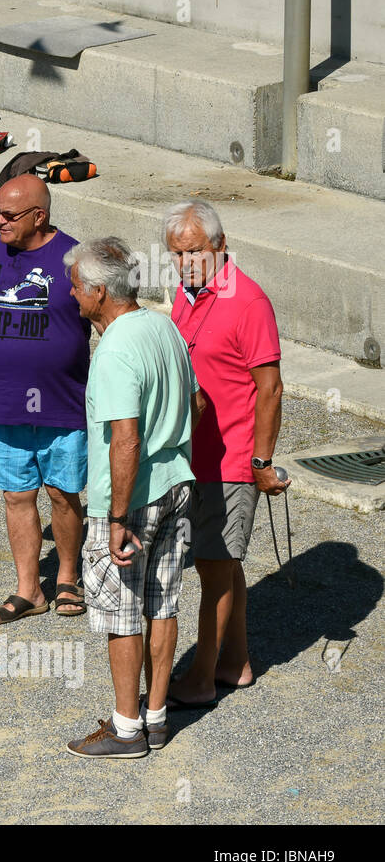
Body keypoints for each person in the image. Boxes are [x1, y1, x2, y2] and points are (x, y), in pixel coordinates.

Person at [62, 238, 201, 758]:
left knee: (121, 612)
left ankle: (125, 731)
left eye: (77, 286)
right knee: (163, 604)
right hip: (178, 486)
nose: (72, 294)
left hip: (131, 500)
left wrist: (118, 515)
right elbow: (197, 402)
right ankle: (156, 717)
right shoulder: (165, 326)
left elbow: (126, 437)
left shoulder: (116, 349)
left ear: (100, 292)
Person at [162, 201, 289, 708]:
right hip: (195, 456)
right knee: (221, 563)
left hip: (231, 458)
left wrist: (260, 461)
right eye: (174, 253)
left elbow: (271, 388)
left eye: (192, 250)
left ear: (219, 244)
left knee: (214, 566)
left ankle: (201, 675)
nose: (183, 261)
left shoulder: (248, 301)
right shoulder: (188, 293)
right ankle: (235, 663)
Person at [0, 174, 90, 623]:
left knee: (63, 493)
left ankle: (68, 579)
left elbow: (103, 319)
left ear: (40, 215)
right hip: (4, 401)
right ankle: (29, 589)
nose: (0, 220)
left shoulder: (76, 258)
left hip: (62, 401)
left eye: (9, 214)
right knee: (17, 496)